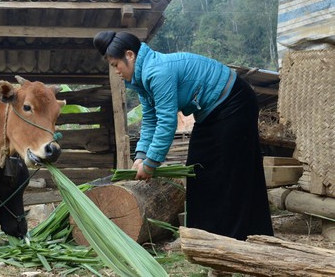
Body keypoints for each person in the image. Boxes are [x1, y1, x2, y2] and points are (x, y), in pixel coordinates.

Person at [93, 30, 273, 241]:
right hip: (212, 111)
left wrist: (151, 164)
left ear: (130, 55)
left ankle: (237, 236)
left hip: (234, 102)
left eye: (116, 65)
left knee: (230, 172)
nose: (115, 71)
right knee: (198, 167)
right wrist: (140, 156)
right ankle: (202, 236)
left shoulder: (158, 72)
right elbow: (150, 119)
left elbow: (167, 122)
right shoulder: (142, 80)